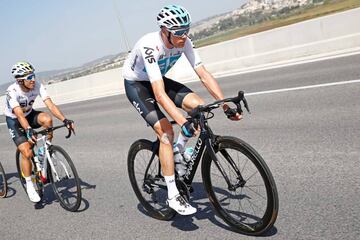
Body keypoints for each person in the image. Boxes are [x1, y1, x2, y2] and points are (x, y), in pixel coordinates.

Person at [123, 5, 241, 215]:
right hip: (137, 85)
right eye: (178, 32)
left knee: (199, 106)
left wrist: (225, 105)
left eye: (187, 29)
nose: (184, 36)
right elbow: (159, 94)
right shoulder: (150, 46)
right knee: (166, 131)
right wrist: (182, 120)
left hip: (159, 79)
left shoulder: (184, 41)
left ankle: (179, 150)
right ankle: (172, 195)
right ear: (165, 31)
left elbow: (203, 74)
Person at [4, 61, 74, 203]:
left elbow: (50, 105)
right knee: (27, 152)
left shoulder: (37, 85)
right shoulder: (12, 92)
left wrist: (65, 120)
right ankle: (29, 183)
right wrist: (28, 130)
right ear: (20, 80)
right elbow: (19, 114)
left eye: (33, 75)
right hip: (15, 121)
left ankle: (44, 152)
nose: (33, 79)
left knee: (47, 120)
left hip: (30, 115)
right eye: (29, 77)